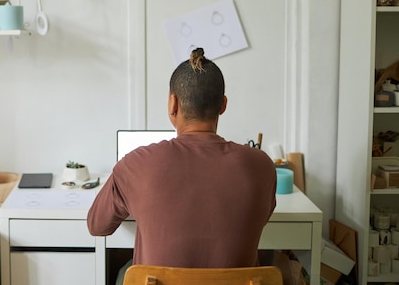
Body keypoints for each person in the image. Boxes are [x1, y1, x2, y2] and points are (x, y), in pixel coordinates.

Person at [87, 47, 277, 281]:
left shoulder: (136, 164)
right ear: (223, 105)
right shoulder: (262, 166)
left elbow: (97, 226)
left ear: (172, 104)